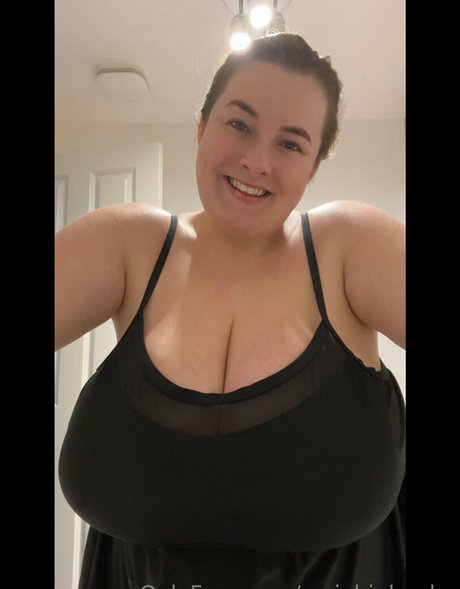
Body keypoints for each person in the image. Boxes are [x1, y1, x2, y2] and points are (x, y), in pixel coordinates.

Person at [56, 33, 405, 589]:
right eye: (239, 124)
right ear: (200, 126)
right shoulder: (129, 243)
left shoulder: (348, 245)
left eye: (290, 144)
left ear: (313, 166)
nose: (256, 161)